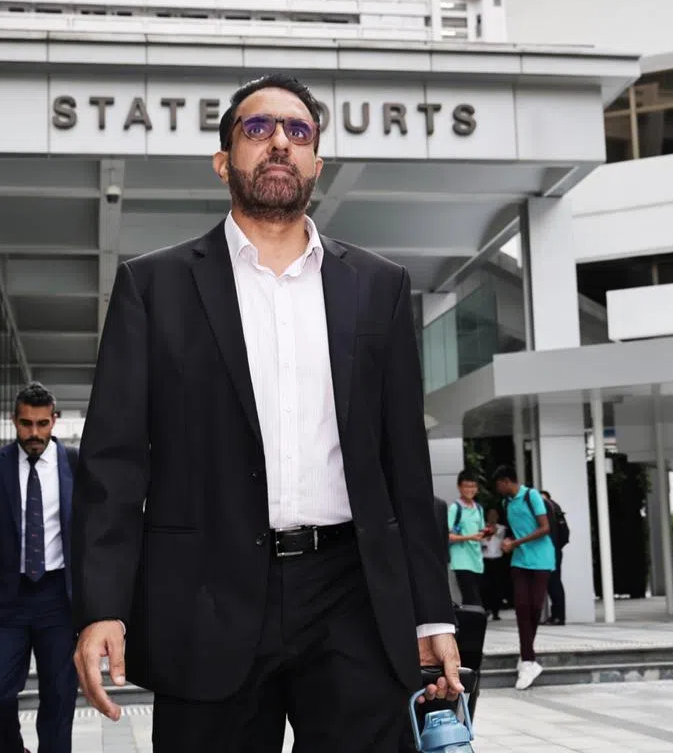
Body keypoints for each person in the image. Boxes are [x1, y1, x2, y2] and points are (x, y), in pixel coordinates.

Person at [71, 73, 462, 753]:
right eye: (257, 130)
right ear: (224, 161)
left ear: (316, 162)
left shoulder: (379, 287)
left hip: (353, 598)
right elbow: (114, 462)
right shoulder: (153, 286)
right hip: (206, 597)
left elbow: (404, 462)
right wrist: (102, 606)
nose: (279, 142)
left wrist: (432, 610)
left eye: (298, 132)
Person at [0, 383, 79, 753]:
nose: (34, 433)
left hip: (60, 600)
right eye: (26, 424)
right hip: (7, 601)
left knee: (59, 699)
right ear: (14, 421)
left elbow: (96, 536)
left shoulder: (76, 464)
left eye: (42, 424)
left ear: (55, 420)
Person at [491, 464, 555, 691]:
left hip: (541, 560)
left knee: (535, 608)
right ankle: (528, 660)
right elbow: (514, 529)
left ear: (507, 481)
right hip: (519, 561)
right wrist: (506, 539)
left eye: (498, 484)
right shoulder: (507, 503)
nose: (497, 489)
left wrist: (515, 543)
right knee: (521, 607)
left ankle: (526, 656)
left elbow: (545, 527)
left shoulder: (532, 496)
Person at [447, 470, 485, 607]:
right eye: (466, 486)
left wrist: (486, 533)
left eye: (473, 486)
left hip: (477, 561)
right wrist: (470, 537)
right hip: (461, 561)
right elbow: (448, 535)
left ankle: (469, 627)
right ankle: (473, 628)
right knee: (473, 600)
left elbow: (481, 531)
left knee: (472, 600)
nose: (470, 490)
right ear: (459, 487)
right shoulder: (454, 508)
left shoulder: (479, 508)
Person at [541, 490, 567, 626]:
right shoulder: (556, 509)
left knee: (554, 583)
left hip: (550, 550)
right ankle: (557, 615)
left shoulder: (549, 509)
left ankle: (558, 616)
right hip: (555, 549)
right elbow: (565, 536)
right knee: (553, 583)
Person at [479, 507, 509, 621]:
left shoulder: (502, 528)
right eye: (490, 514)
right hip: (485, 559)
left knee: (497, 586)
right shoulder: (482, 528)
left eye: (494, 515)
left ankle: (496, 611)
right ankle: (486, 609)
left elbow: (500, 537)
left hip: (498, 560)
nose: (492, 517)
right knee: (485, 586)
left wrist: (493, 531)